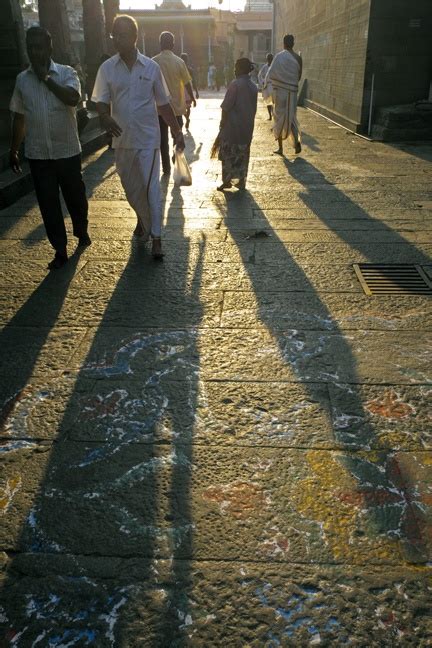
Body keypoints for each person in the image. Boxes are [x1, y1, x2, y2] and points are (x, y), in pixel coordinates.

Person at [92, 15, 185, 259]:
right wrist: (104, 116)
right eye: (114, 35)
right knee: (132, 189)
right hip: (122, 141)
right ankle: (143, 222)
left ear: (134, 37)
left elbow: (164, 105)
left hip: (148, 140)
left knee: (151, 188)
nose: (117, 40)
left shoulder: (152, 68)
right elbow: (100, 101)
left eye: (122, 35)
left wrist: (177, 132)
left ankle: (157, 239)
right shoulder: (107, 69)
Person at [9, 26, 90, 270]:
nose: (35, 52)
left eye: (39, 47)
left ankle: (81, 229)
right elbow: (20, 117)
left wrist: (46, 78)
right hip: (38, 155)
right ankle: (60, 249)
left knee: (76, 198)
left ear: (49, 48)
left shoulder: (66, 73)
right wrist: (14, 149)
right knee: (48, 202)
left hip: (67, 152)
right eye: (31, 47)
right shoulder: (22, 80)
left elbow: (72, 98)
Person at [153, 32, 196, 175]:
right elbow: (187, 81)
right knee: (177, 135)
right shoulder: (179, 62)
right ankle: (176, 158)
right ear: (173, 44)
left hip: (159, 109)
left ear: (160, 44)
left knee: (162, 140)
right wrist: (192, 96)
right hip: (177, 108)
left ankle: (166, 168)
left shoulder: (153, 62)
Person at [216, 58, 258, 191]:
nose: (234, 70)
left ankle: (227, 180)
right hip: (247, 127)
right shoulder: (253, 86)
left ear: (240, 69)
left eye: (236, 67)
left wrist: (222, 123)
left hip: (232, 127)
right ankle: (241, 180)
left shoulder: (235, 84)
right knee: (243, 154)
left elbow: (226, 106)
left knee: (228, 154)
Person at [266, 34, 302, 156]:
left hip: (280, 92)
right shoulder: (298, 58)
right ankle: (296, 143)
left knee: (278, 118)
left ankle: (281, 148)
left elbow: (270, 74)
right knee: (291, 117)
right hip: (292, 92)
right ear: (293, 43)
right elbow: (299, 77)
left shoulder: (279, 57)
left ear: (284, 43)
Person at [180, 52, 199, 130]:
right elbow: (193, 81)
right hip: (187, 90)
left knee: (182, 108)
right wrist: (196, 92)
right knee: (188, 108)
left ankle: (187, 119)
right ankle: (187, 119)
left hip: (181, 90)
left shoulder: (180, 68)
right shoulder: (189, 69)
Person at [258, 53, 274, 120]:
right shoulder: (264, 67)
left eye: (270, 58)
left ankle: (274, 114)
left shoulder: (274, 67)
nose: (269, 60)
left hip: (272, 86)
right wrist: (262, 82)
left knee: (273, 101)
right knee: (268, 102)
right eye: (268, 59)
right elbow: (259, 75)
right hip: (266, 86)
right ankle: (270, 115)